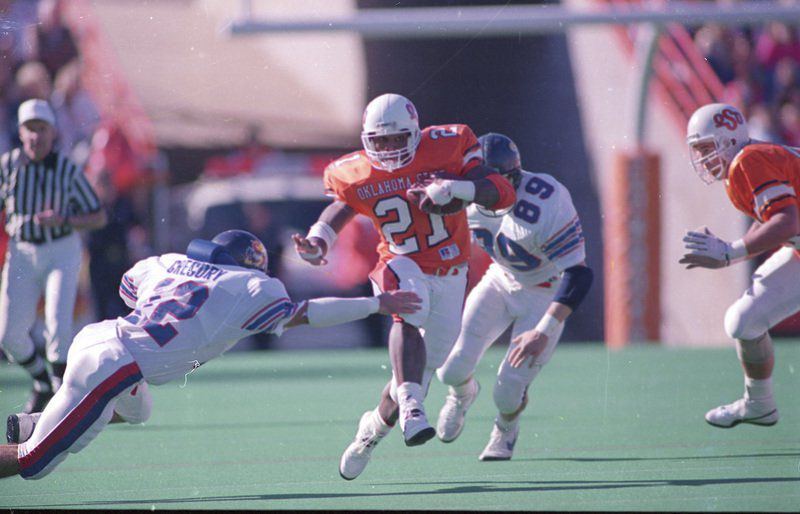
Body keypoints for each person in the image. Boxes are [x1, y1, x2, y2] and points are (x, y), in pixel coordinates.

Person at [0, 229, 421, 480]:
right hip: (115, 364)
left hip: (104, 342)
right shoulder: (249, 287)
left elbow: (128, 290)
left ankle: (41, 418)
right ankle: (43, 430)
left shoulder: (169, 262)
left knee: (138, 409)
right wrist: (376, 305)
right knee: (35, 462)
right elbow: (303, 314)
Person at [293, 93, 517, 480]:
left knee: (417, 371)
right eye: (380, 141)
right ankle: (414, 406)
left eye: (397, 139)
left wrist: (454, 189)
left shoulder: (449, 145)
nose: (389, 149)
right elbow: (344, 205)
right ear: (366, 139)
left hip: (450, 271)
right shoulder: (356, 172)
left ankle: (370, 433)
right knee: (408, 306)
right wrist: (318, 240)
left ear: (415, 132)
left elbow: (502, 191)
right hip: (399, 260)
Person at [435, 133, 593, 460]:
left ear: (514, 177)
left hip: (545, 292)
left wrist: (544, 330)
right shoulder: (459, 195)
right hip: (501, 278)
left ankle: (506, 428)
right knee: (449, 369)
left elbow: (579, 273)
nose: (491, 194)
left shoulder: (548, 201)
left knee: (508, 390)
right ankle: (462, 394)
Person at [680, 102, 800, 428]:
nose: (703, 158)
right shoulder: (744, 164)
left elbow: (787, 221)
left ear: (728, 139)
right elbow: (771, 219)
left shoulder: (748, 161)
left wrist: (730, 253)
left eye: (707, 147)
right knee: (743, 321)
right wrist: (731, 254)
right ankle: (759, 403)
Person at [0, 99, 107, 414]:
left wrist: (65, 220)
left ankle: (62, 400)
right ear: (20, 132)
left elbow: (98, 215)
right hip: (21, 250)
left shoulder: (66, 168)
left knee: (58, 326)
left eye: (41, 128)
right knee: (9, 336)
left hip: (61, 248)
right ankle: (41, 382)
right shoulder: (7, 165)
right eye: (30, 129)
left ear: (52, 132)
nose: (36, 136)